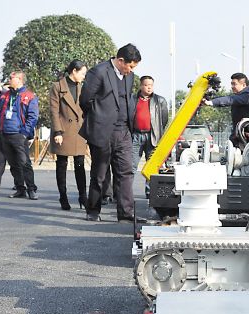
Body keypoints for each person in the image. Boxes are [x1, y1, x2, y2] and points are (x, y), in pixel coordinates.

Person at [79, 43, 141, 222]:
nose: (130, 70)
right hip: (102, 130)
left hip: (123, 131)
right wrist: (100, 117)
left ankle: (126, 214)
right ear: (120, 60)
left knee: (126, 172)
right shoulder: (98, 72)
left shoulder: (130, 77)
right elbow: (85, 100)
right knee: (100, 173)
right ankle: (93, 211)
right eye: (129, 66)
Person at [0, 71, 40, 200]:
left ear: (19, 80)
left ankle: (31, 189)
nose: (9, 79)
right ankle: (20, 189)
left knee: (24, 163)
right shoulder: (6, 95)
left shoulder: (29, 96)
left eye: (11, 78)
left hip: (19, 135)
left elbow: (33, 117)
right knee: (13, 164)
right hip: (5, 134)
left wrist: (24, 133)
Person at [49, 59, 88, 210]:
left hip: (79, 130)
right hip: (63, 130)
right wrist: (57, 131)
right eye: (82, 73)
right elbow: (54, 111)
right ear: (74, 71)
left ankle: (83, 197)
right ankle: (63, 196)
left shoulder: (82, 87)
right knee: (62, 164)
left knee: (80, 164)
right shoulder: (57, 86)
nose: (84, 76)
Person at [203, 73, 249, 148]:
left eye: (234, 84)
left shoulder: (248, 96)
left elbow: (230, 99)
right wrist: (209, 99)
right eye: (231, 84)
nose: (232, 87)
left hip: (247, 136)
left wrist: (211, 102)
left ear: (244, 85)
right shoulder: (241, 95)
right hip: (238, 133)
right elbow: (226, 99)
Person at [130, 75, 169, 175]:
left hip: (152, 137)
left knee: (151, 168)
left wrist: (156, 132)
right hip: (136, 136)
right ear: (141, 86)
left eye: (151, 85)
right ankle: (127, 190)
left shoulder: (160, 101)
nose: (149, 87)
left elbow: (164, 120)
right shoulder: (132, 99)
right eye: (146, 85)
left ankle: (149, 191)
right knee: (130, 167)